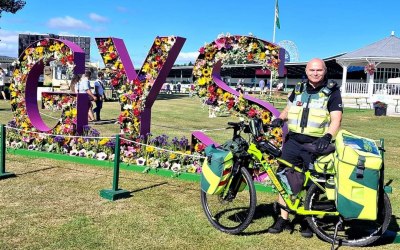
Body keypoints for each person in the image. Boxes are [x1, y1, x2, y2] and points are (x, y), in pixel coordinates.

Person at [268, 58, 343, 238]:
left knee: (312, 182)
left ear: (325, 71)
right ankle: (283, 218)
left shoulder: (332, 92)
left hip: (315, 144)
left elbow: (336, 119)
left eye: (318, 70)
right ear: (306, 71)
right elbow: (288, 109)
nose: (315, 73)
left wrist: (327, 136)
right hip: (292, 142)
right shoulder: (299, 88)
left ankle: (307, 220)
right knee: (284, 178)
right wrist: (280, 118)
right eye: (311, 70)